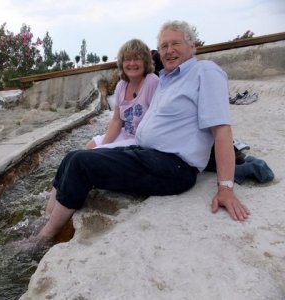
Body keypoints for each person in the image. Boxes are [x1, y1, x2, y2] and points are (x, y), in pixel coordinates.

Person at [39, 20, 249, 242]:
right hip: (146, 154)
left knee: (81, 164)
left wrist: (226, 188)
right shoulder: (167, 79)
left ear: (192, 46)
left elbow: (222, 130)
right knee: (72, 156)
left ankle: (44, 237)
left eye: (175, 43)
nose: (169, 51)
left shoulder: (204, 71)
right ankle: (45, 217)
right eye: (164, 46)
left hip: (174, 167)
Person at [86, 39, 159, 149]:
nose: (132, 63)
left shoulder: (152, 82)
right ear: (121, 63)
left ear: (146, 62)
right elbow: (116, 120)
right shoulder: (121, 85)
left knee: (96, 153)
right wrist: (103, 145)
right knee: (91, 145)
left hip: (141, 141)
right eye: (127, 59)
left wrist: (102, 150)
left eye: (137, 59)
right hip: (126, 134)